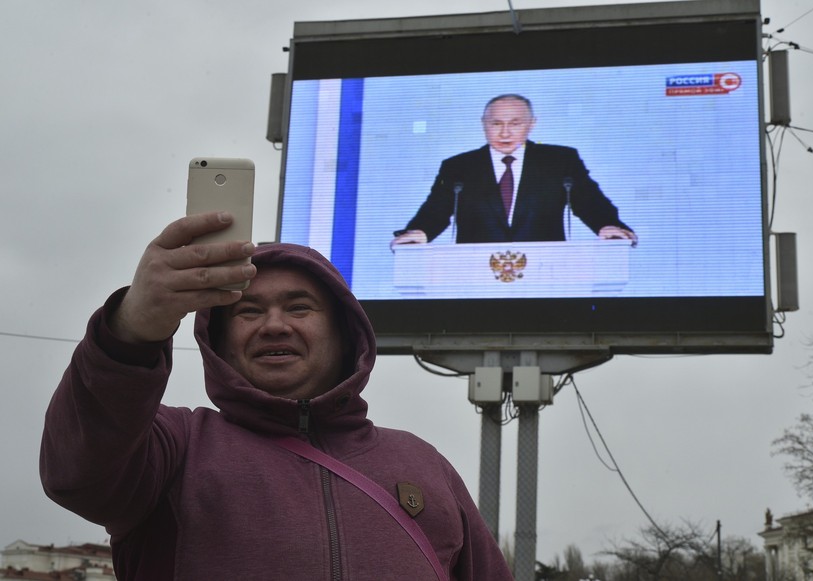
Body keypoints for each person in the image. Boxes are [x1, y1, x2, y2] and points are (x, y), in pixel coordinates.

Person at [40, 211, 513, 580]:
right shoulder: (174, 445)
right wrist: (131, 330)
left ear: (345, 333)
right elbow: (77, 474)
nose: (274, 325)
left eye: (298, 307)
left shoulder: (421, 462)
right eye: (248, 311)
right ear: (219, 341)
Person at [391, 94, 636, 247]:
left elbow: (589, 202)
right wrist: (420, 232)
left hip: (546, 270)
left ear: (532, 124)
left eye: (515, 123)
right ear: (483, 125)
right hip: (473, 273)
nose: (505, 133)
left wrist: (607, 226)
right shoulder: (459, 167)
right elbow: (436, 210)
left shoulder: (560, 160)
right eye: (496, 124)